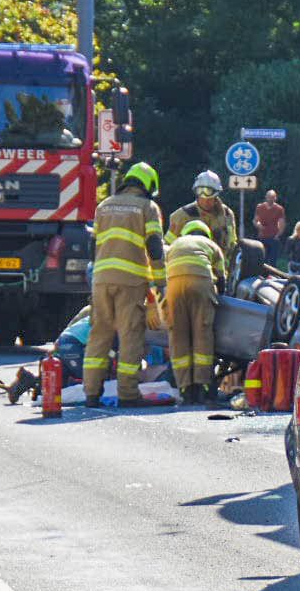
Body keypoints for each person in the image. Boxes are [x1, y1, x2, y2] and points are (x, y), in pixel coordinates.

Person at [85, 161, 165, 408]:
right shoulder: (147, 207)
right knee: (131, 336)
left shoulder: (104, 206)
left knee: (99, 334)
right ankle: (128, 394)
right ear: (149, 184)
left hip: (101, 280)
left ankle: (91, 393)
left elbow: (94, 245)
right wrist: (160, 282)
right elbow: (154, 246)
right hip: (130, 281)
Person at [164, 219, 226, 406]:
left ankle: (184, 387)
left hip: (174, 284)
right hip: (200, 283)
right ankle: (202, 386)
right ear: (205, 233)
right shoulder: (211, 245)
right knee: (202, 334)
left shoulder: (175, 245)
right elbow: (222, 278)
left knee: (178, 335)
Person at [167, 170, 238, 268]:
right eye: (200, 191)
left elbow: (232, 245)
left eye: (209, 192)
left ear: (216, 193)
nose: (204, 197)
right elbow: (168, 246)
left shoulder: (227, 214)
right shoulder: (182, 215)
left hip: (221, 271)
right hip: (190, 269)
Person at [254, 189, 286, 265]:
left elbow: (282, 223)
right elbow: (255, 220)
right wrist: (258, 225)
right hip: (262, 236)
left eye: (272, 197)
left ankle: (271, 276)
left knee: (272, 261)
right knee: (261, 259)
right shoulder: (260, 207)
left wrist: (278, 235)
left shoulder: (279, 209)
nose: (270, 199)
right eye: (269, 197)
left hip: (273, 237)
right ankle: (261, 275)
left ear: (275, 198)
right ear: (266, 197)